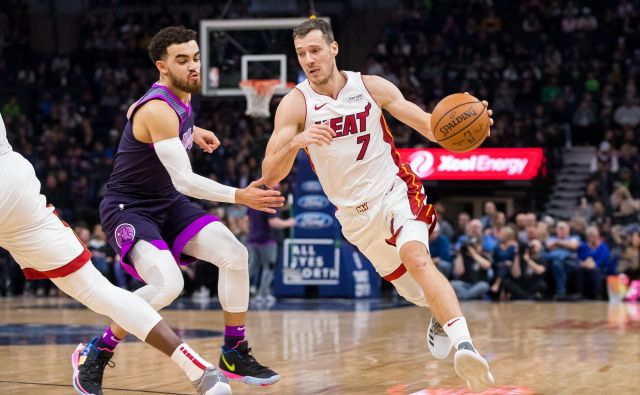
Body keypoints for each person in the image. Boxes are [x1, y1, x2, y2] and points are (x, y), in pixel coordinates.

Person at [261, 18, 494, 392]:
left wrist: (474, 125)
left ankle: (465, 347)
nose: (309, 60)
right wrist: (296, 140)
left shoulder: (370, 87)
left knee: (418, 259)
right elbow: (270, 174)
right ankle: (436, 312)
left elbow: (433, 127)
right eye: (302, 54)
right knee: (413, 292)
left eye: (315, 50)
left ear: (334, 49)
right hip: (354, 217)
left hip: (394, 191)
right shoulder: (294, 105)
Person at [74, 26, 283, 393]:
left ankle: (234, 351)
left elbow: (133, 112)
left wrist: (191, 129)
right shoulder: (159, 108)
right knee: (168, 284)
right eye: (182, 60)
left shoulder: (178, 100)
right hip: (130, 208)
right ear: (161, 66)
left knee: (235, 254)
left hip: (166, 202)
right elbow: (185, 180)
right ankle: (96, 350)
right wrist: (240, 196)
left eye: (196, 58)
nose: (193, 66)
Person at [0, 112, 232, 395]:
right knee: (111, 290)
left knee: (153, 286)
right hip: (18, 186)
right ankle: (197, 369)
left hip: (16, 194)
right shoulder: (159, 106)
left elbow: (143, 108)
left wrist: (184, 129)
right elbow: (142, 107)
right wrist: (187, 129)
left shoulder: (165, 105)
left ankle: (103, 354)